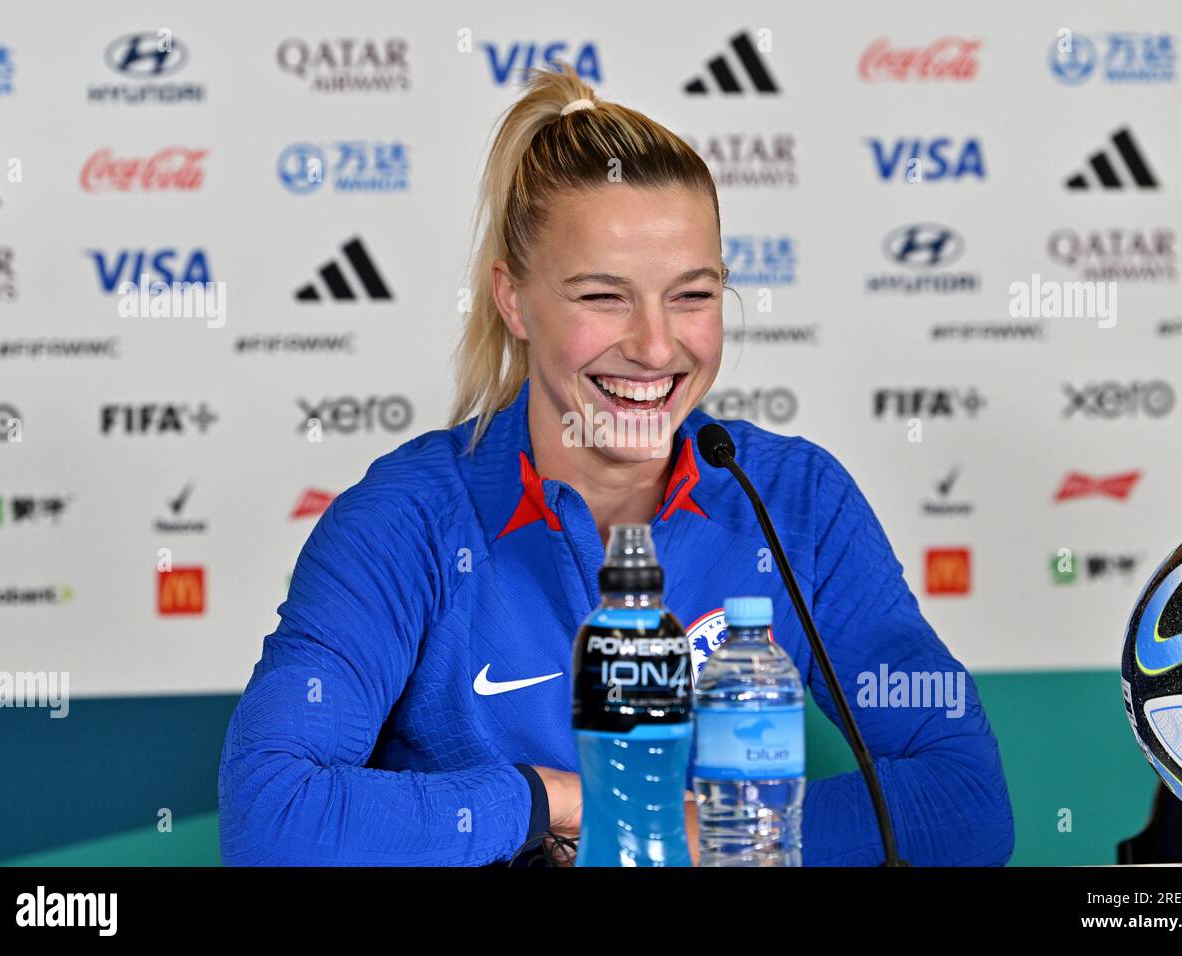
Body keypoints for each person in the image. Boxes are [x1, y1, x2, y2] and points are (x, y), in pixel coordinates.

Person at [217, 64, 1015, 867]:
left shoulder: (794, 500)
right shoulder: (405, 521)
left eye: (692, 296)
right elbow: (273, 817)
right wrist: (554, 798)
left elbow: (964, 806)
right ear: (513, 299)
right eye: (604, 297)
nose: (657, 347)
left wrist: (665, 833)